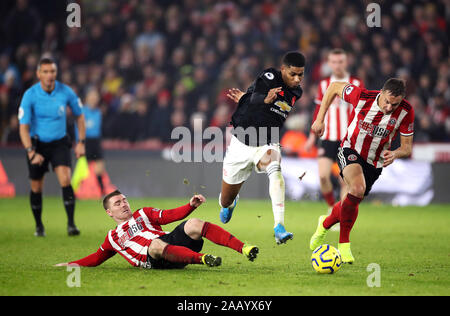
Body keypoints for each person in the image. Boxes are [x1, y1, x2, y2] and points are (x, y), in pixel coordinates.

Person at [309, 78, 414, 263]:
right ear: (381, 92)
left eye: (394, 104)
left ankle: (324, 224)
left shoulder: (406, 111)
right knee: (357, 189)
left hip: (375, 163)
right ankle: (344, 245)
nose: (389, 107)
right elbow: (333, 87)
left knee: (352, 200)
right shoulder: (363, 97)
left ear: (402, 100)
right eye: (387, 102)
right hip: (350, 149)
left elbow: (407, 147)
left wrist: (396, 154)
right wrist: (319, 120)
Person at [220, 51, 305, 244]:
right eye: (293, 74)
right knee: (225, 200)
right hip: (241, 143)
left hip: (266, 142)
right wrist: (262, 99)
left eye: (301, 74)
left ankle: (279, 227)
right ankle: (230, 204)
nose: (297, 79)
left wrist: (251, 100)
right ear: (283, 69)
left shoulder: (296, 92)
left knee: (275, 170)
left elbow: (260, 107)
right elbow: (255, 96)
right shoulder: (269, 76)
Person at [54, 190, 259, 269]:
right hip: (153, 259)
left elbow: (170, 216)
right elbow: (96, 258)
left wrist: (190, 206)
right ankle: (204, 258)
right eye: (117, 203)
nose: (124, 204)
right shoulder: (112, 238)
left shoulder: (144, 213)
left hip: (172, 245)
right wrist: (70, 264)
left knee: (195, 223)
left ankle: (244, 248)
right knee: (153, 245)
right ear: (109, 212)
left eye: (124, 200)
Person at [18, 57, 86, 237]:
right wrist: (31, 152)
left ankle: (71, 224)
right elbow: (23, 128)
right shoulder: (30, 95)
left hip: (59, 143)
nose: (49, 75)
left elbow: (80, 116)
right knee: (36, 187)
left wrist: (80, 143)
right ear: (38, 74)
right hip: (37, 144)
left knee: (65, 179)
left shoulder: (66, 92)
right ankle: (39, 226)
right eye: (46, 72)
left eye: (52, 72)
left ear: (56, 73)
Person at [305, 49, 364, 214]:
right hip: (328, 137)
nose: (337, 65)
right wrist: (311, 137)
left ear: (346, 62)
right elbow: (318, 110)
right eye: (334, 62)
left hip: (348, 139)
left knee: (344, 181)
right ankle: (332, 208)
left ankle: (341, 214)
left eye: (340, 62)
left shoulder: (356, 83)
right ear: (329, 64)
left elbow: (363, 111)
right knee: (323, 176)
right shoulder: (324, 85)